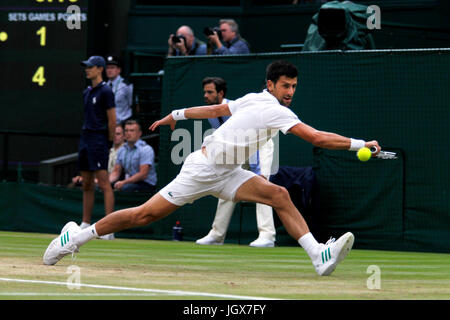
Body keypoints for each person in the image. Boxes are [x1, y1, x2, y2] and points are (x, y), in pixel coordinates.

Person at [44, 60, 381, 277]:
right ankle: (76, 236)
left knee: (278, 194)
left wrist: (175, 115)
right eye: (285, 86)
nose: (290, 92)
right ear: (271, 85)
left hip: (230, 173)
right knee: (142, 216)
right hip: (202, 170)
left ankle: (318, 255)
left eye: (294, 86)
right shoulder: (265, 105)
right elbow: (316, 138)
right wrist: (359, 144)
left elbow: (217, 109)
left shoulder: (260, 101)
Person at [195, 77, 277, 247]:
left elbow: (254, 135)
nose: (206, 95)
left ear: (221, 93)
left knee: (263, 185)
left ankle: (267, 235)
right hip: (240, 150)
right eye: (205, 92)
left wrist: (258, 169)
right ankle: (217, 235)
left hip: (261, 145)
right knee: (226, 185)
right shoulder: (213, 114)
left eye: (209, 92)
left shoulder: (234, 108)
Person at [77, 55, 116, 239]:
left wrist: (108, 142)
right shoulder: (86, 92)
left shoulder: (106, 91)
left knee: (103, 182)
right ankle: (85, 222)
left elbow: (112, 120)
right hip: (85, 139)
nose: (87, 70)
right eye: (86, 67)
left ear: (100, 69)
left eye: (90, 67)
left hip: (99, 140)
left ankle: (109, 227)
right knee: (86, 183)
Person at [109, 119, 157, 193]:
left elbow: (142, 175)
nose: (128, 133)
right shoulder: (122, 150)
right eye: (126, 131)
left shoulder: (146, 149)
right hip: (130, 182)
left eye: (132, 131)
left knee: (125, 188)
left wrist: (124, 182)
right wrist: (106, 182)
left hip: (147, 185)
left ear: (139, 133)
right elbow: (116, 172)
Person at [105, 55, 134, 125]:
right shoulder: (104, 86)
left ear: (119, 70)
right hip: (108, 123)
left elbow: (132, 104)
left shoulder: (126, 86)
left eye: (112, 68)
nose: (109, 70)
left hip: (123, 122)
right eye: (107, 68)